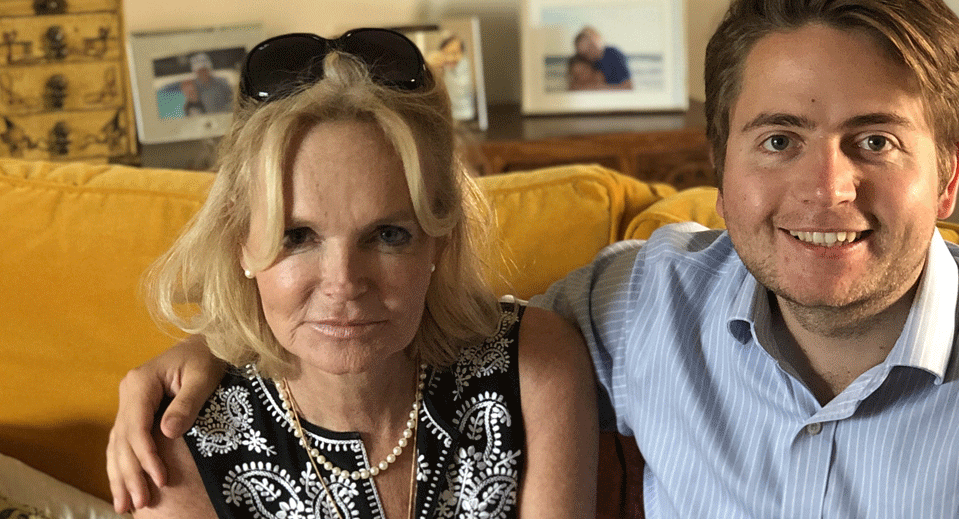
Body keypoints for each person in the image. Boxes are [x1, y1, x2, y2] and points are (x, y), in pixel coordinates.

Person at [110, 0, 959, 517]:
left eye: (874, 141)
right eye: (779, 139)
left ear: (948, 173)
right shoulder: (643, 304)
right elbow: (394, 320)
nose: (826, 189)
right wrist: (220, 344)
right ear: (720, 164)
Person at [108, 28, 597, 518]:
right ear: (241, 241)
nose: (343, 283)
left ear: (440, 237)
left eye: (388, 235)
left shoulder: (535, 367)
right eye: (297, 236)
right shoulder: (177, 445)